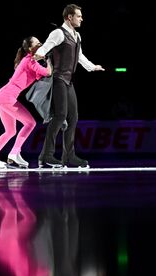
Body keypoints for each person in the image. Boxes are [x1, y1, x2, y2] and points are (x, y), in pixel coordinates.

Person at [33, 4, 105, 168]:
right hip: (58, 79)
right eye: (78, 16)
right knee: (60, 116)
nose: (81, 18)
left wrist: (92, 67)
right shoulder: (59, 33)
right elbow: (46, 46)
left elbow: (79, 56)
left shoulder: (77, 36)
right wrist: (40, 54)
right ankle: (46, 156)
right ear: (69, 17)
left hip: (68, 81)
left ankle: (69, 157)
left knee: (73, 117)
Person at [0, 36, 52, 169]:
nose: (41, 44)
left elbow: (42, 73)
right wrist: (50, 59)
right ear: (30, 48)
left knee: (10, 131)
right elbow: (48, 72)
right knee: (30, 123)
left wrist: (45, 59)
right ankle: (14, 153)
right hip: (7, 97)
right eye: (38, 43)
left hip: (4, 96)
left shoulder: (31, 62)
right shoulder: (29, 61)